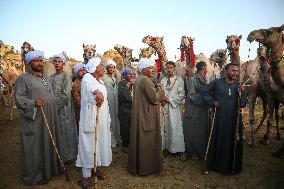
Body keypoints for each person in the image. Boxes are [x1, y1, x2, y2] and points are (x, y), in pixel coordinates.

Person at [14, 50, 60, 185]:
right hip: (35, 121)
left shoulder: (45, 77)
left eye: (41, 60)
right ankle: (35, 176)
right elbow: (19, 100)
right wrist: (33, 103)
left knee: (49, 143)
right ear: (29, 63)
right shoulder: (23, 79)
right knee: (35, 146)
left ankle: (50, 170)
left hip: (49, 118)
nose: (39, 63)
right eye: (36, 61)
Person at [201, 63, 247, 174]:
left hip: (234, 121)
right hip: (220, 119)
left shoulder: (238, 85)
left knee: (232, 141)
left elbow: (242, 104)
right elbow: (204, 91)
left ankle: (232, 167)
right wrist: (212, 102)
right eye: (232, 70)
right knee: (219, 140)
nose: (235, 73)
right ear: (226, 71)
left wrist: (242, 93)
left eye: (237, 71)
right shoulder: (217, 83)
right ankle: (216, 165)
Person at [76, 57, 112, 188]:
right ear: (95, 68)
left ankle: (95, 168)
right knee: (89, 145)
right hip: (91, 118)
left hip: (101, 118)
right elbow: (91, 89)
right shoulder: (87, 78)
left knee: (99, 143)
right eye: (101, 66)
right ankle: (85, 176)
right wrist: (97, 93)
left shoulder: (100, 81)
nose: (103, 68)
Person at [128, 58, 165, 176]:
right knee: (148, 140)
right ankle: (147, 168)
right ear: (143, 69)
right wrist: (160, 91)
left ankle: (137, 166)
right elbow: (154, 98)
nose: (153, 69)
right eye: (150, 68)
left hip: (142, 114)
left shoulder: (139, 79)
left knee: (141, 139)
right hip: (147, 116)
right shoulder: (145, 80)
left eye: (152, 67)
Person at [50, 54, 78, 163]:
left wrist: (55, 106)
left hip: (65, 109)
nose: (57, 63)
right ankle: (59, 154)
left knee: (66, 130)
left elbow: (66, 94)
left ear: (63, 63)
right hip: (54, 108)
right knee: (57, 131)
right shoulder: (51, 77)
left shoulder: (66, 77)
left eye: (59, 61)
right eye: (55, 61)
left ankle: (69, 156)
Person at [183, 61, 209, 160]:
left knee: (201, 131)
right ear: (202, 69)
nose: (206, 70)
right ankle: (192, 152)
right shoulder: (193, 80)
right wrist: (205, 97)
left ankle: (201, 151)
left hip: (202, 110)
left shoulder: (204, 79)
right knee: (193, 131)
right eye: (205, 68)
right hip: (194, 110)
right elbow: (191, 96)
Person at [160, 61, 186, 160]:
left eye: (171, 67)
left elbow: (182, 95)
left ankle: (180, 150)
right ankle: (166, 148)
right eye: (167, 68)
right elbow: (160, 92)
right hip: (164, 107)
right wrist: (162, 99)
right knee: (165, 128)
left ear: (174, 69)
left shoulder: (179, 80)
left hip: (174, 109)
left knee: (175, 128)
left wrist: (169, 100)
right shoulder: (163, 80)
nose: (169, 69)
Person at [101, 60, 121, 151]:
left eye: (113, 67)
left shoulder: (114, 78)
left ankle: (117, 139)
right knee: (109, 121)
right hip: (107, 101)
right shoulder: (103, 78)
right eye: (109, 67)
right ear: (106, 68)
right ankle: (112, 143)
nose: (111, 69)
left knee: (116, 119)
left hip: (115, 102)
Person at [118, 67, 135, 153]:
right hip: (124, 110)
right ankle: (125, 145)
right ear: (124, 75)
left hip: (133, 110)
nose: (131, 75)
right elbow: (124, 96)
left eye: (132, 73)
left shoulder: (135, 83)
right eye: (129, 74)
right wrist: (128, 85)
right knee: (125, 128)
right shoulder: (121, 84)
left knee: (132, 128)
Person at [71, 63, 86, 127]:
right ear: (76, 73)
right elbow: (77, 100)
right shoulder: (75, 84)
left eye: (84, 70)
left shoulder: (86, 82)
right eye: (81, 70)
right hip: (81, 112)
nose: (84, 72)